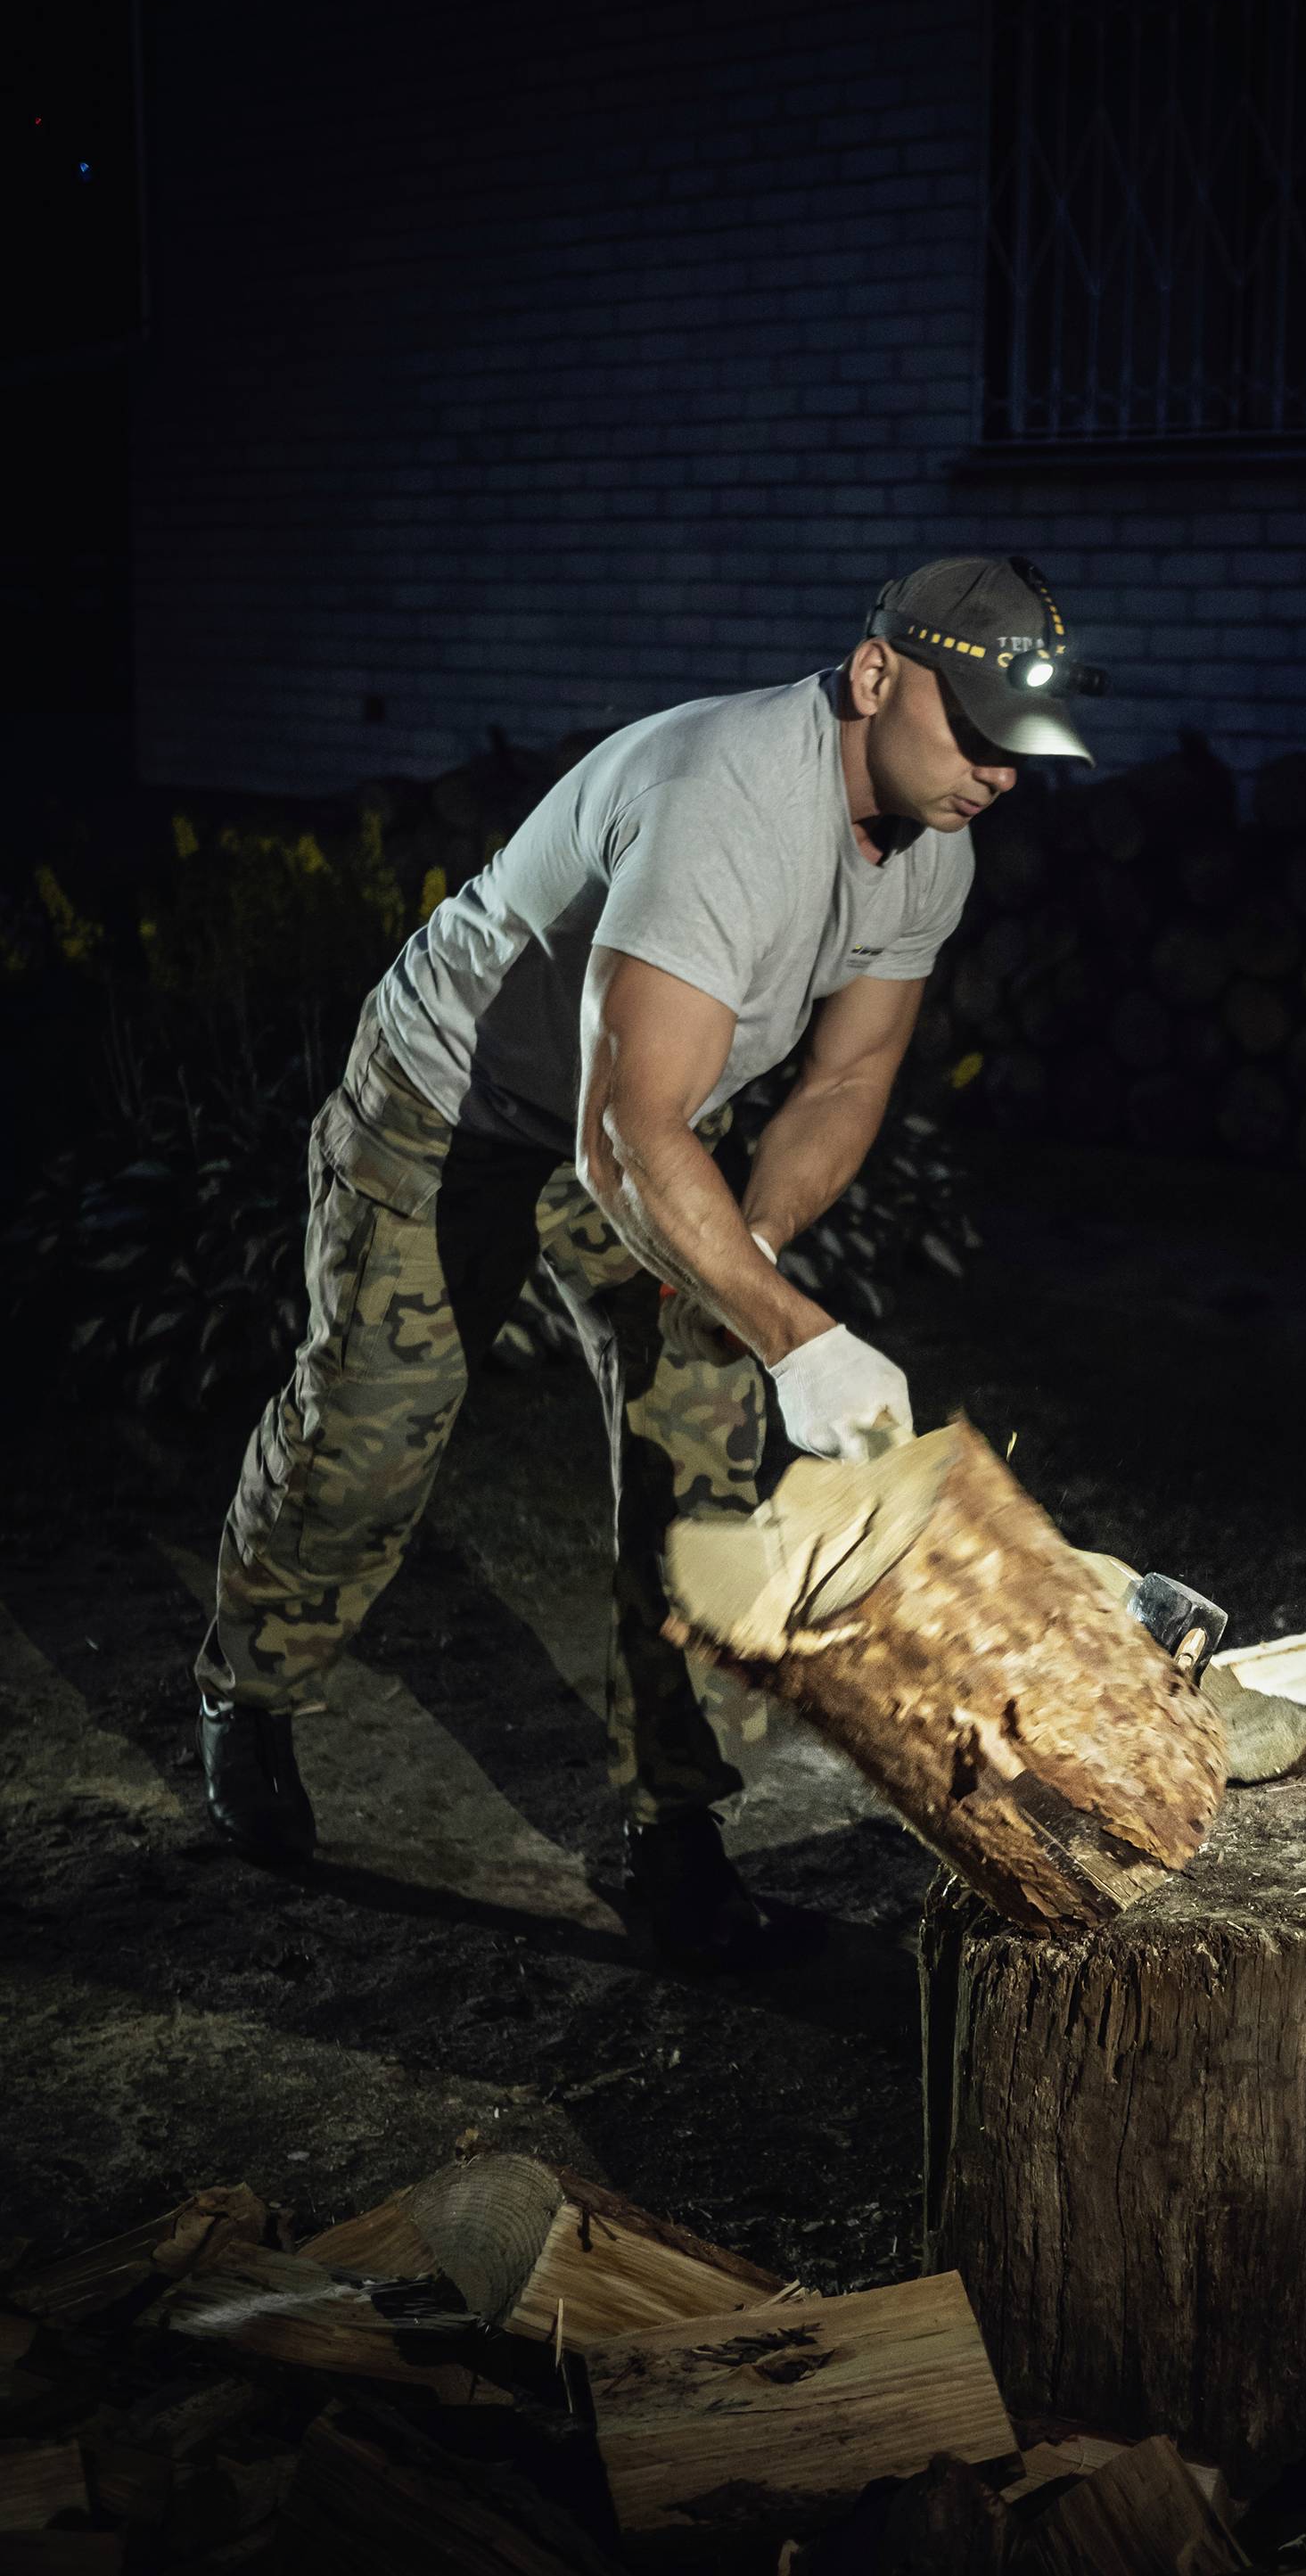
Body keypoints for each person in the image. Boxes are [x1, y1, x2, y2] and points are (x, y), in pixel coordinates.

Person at [192, 556, 1105, 1965]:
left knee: (703, 1449)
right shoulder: (728, 801)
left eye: (1017, 750)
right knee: (376, 1433)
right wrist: (800, 1333)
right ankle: (249, 1691)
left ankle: (676, 1826)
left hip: (653, 1123)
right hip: (453, 1108)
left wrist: (756, 1266)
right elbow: (623, 1135)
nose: (996, 773)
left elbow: (846, 1080)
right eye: (974, 733)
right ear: (875, 678)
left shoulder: (938, 848)